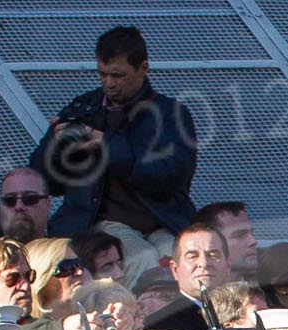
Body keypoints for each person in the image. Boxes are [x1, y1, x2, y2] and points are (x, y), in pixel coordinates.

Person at [27, 25, 199, 283]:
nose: (109, 84)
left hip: (163, 220)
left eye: (118, 75)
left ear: (143, 68)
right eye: (102, 74)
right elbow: (45, 181)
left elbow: (171, 179)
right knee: (140, 258)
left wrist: (107, 146)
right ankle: (142, 320)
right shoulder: (84, 109)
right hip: (101, 221)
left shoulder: (170, 114)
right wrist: (55, 145)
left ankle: (185, 319)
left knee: (183, 257)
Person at [0, 168, 53, 244]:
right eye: (9, 200)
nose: (18, 206)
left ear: (47, 203)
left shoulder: (66, 253)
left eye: (30, 198)